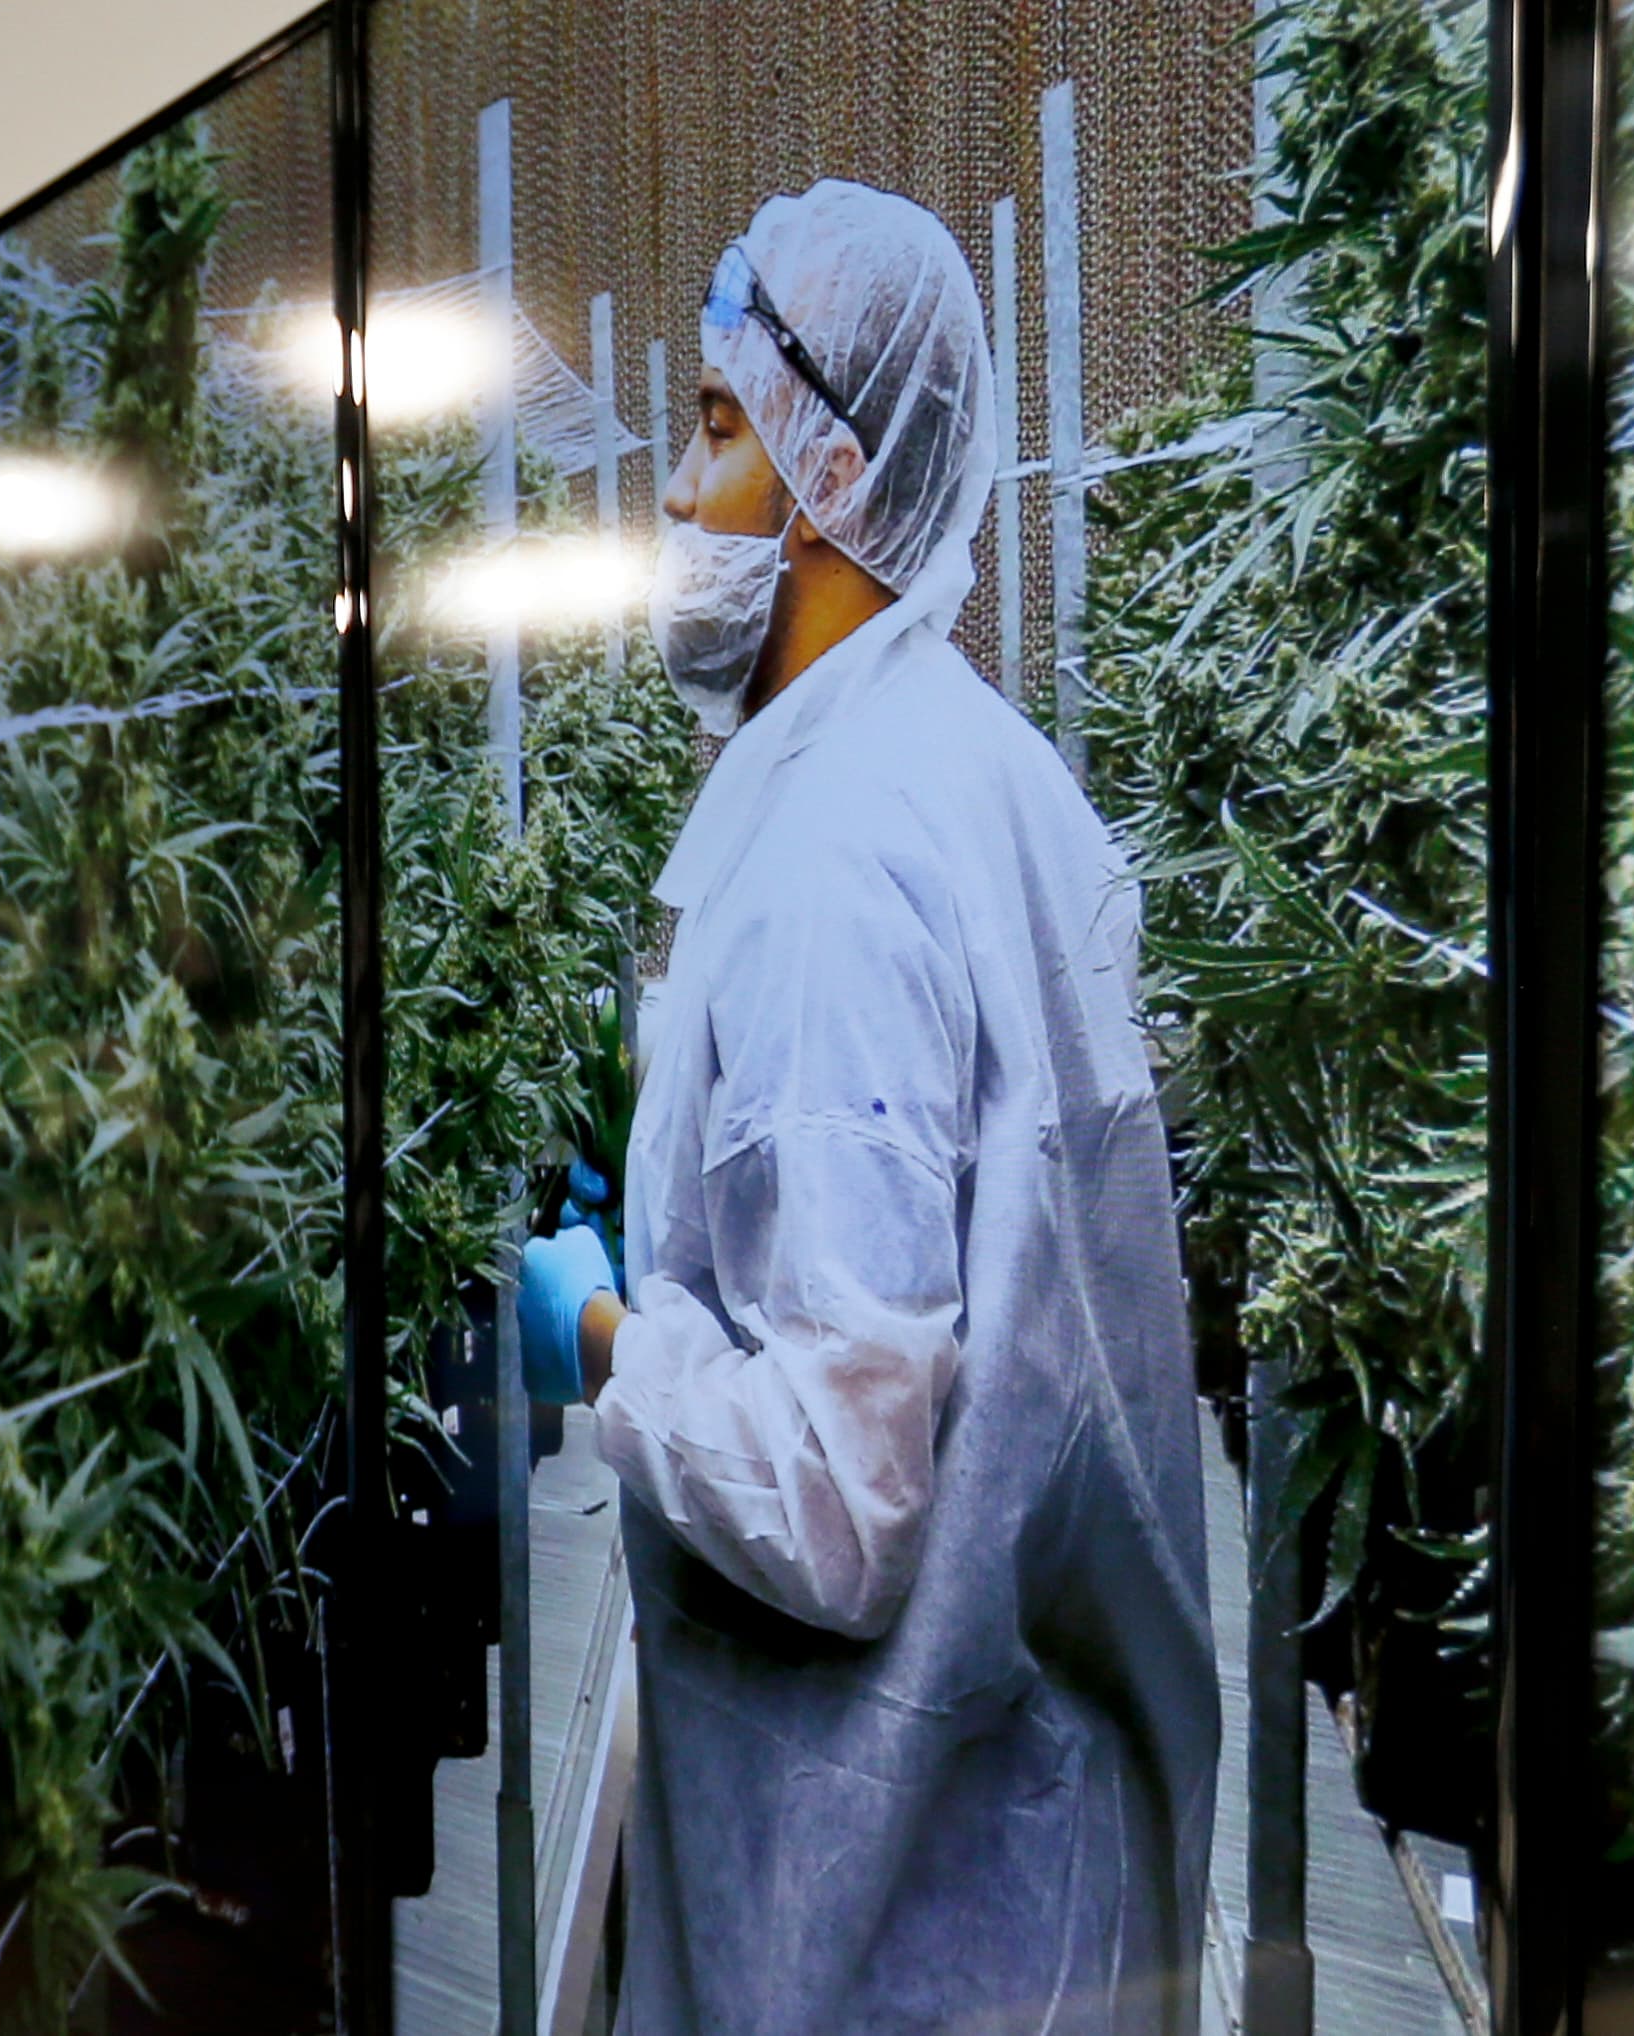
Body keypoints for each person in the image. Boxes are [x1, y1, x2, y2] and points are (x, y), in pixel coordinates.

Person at [517, 180, 1219, 2034]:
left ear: (830, 474)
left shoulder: (841, 864)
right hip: (1017, 1824)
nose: (676, 488)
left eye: (718, 426)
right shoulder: (980, 775)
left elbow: (839, 1495)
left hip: (880, 1914)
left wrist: (599, 1328)